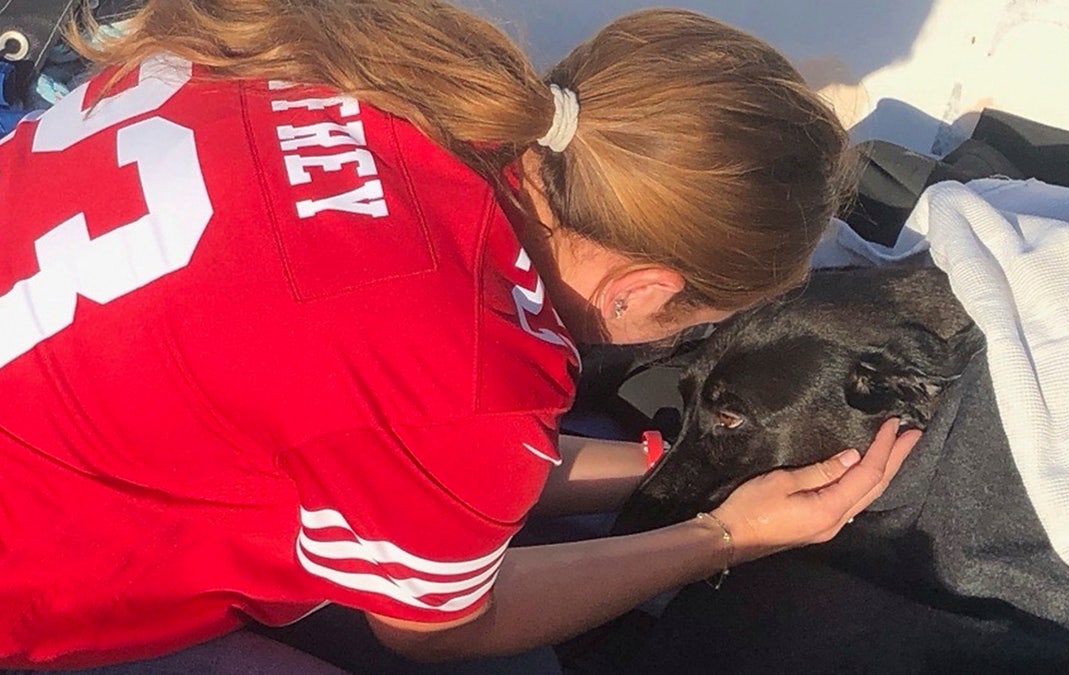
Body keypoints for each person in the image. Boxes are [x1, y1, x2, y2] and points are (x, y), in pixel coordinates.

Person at [0, 0, 919, 670]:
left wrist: (667, 463)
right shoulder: (464, 361)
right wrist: (723, 536)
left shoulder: (365, 67)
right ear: (645, 288)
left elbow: (399, 440)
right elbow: (443, 626)